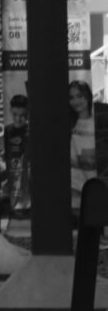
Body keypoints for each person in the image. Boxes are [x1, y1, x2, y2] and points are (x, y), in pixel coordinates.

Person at [70, 80, 98, 213]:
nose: (76, 101)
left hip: (96, 186)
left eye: (80, 96)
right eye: (71, 97)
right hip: (73, 187)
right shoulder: (67, 124)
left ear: (88, 96)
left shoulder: (100, 122)